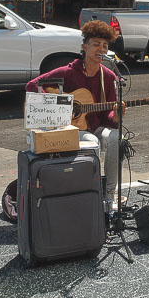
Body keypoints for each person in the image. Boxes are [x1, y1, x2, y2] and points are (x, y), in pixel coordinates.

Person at [26, 20, 124, 210]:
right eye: (96, 44)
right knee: (90, 140)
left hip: (95, 128)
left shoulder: (109, 77)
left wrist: (117, 116)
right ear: (85, 47)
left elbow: (107, 118)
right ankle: (90, 194)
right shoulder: (69, 72)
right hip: (71, 128)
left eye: (105, 45)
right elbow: (32, 85)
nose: (101, 49)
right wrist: (59, 108)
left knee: (116, 138)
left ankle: (109, 195)